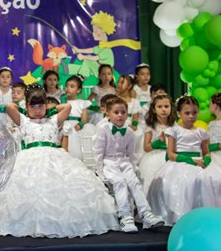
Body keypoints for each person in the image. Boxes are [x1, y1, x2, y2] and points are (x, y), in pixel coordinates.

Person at [0, 84, 119, 238]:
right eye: (33, 106)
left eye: (41, 105)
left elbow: (67, 107)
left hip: (55, 159)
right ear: (27, 106)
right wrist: (24, 110)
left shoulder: (53, 120)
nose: (37, 109)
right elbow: (8, 106)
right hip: (28, 160)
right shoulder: (24, 120)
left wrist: (51, 110)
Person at [92, 96, 164, 233]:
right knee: (120, 183)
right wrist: (99, 171)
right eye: (116, 112)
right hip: (109, 163)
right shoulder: (103, 129)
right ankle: (125, 216)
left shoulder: (130, 132)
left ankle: (146, 214)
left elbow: (131, 153)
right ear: (108, 114)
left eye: (123, 112)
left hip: (124, 162)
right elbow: (98, 152)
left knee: (134, 183)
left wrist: (132, 167)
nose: (120, 115)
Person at [148, 95, 221, 225]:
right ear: (179, 113)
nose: (191, 116)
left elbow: (206, 152)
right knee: (184, 183)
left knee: (212, 180)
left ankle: (205, 216)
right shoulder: (173, 131)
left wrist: (206, 161)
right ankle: (181, 217)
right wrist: (190, 161)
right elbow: (171, 154)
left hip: (199, 162)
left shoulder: (202, 132)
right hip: (180, 162)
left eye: (194, 112)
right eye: (187, 113)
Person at [138, 94, 175, 195]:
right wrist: (159, 141)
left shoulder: (174, 125)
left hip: (170, 155)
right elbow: (146, 147)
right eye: (160, 107)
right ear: (154, 109)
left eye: (166, 106)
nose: (163, 109)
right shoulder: (150, 126)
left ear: (171, 108)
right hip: (154, 156)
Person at [60, 75, 92, 159]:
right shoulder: (61, 102)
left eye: (72, 86)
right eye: (67, 86)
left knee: (74, 147)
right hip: (63, 126)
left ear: (78, 90)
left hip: (75, 128)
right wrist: (62, 102)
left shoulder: (82, 103)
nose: (68, 88)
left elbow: (84, 119)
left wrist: (80, 125)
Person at [210, 93, 221, 167]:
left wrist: (215, 146)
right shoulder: (212, 123)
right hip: (211, 156)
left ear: (215, 105)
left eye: (210, 104)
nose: (209, 107)